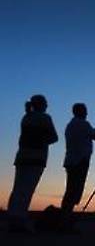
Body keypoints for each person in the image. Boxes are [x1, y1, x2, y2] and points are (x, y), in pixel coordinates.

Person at [7, 95, 58, 234]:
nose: (47, 105)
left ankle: (13, 218)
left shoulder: (26, 117)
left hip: (22, 157)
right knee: (27, 190)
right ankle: (19, 221)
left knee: (18, 189)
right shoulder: (44, 118)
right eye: (46, 103)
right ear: (41, 104)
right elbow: (54, 137)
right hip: (36, 158)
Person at [59, 103, 95, 232]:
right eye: (85, 111)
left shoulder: (73, 125)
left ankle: (64, 220)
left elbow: (91, 132)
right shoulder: (82, 124)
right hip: (79, 162)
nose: (87, 113)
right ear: (81, 112)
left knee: (71, 191)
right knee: (73, 192)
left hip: (72, 161)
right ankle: (64, 222)